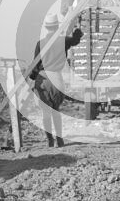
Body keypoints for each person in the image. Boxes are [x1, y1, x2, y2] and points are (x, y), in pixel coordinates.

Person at [29, 13, 83, 147]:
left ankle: (50, 140)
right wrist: (78, 31)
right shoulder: (63, 41)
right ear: (57, 27)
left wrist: (33, 78)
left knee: (46, 113)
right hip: (57, 79)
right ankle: (60, 139)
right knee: (56, 111)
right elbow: (76, 40)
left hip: (43, 78)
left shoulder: (40, 44)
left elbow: (35, 64)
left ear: (46, 28)